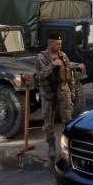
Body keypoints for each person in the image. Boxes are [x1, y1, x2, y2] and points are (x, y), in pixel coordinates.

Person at [35, 32, 75, 168]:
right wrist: (52, 65)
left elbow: (70, 74)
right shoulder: (41, 57)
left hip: (63, 92)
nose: (60, 46)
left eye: (60, 44)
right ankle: (51, 152)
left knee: (68, 122)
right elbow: (39, 76)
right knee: (48, 124)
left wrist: (73, 90)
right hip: (48, 94)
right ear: (50, 43)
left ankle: (67, 152)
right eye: (57, 44)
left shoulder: (63, 56)